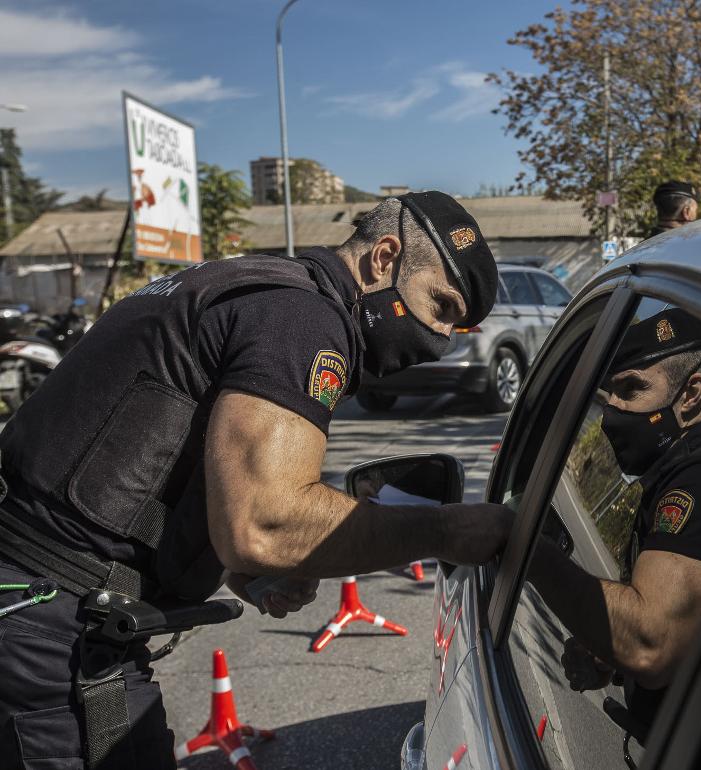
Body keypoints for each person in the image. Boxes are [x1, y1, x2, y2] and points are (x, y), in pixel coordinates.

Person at [0, 192, 515, 769]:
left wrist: (229, 564)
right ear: (384, 258)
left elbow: (148, 458)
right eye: (439, 305)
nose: (440, 337)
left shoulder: (250, 282)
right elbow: (266, 523)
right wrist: (446, 530)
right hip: (52, 635)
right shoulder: (302, 317)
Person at [526, 308, 701, 742]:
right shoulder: (681, 475)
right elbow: (699, 642)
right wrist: (609, 655)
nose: (611, 410)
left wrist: (520, 542)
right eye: (610, 393)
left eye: (632, 389)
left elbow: (650, 642)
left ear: (691, 394)